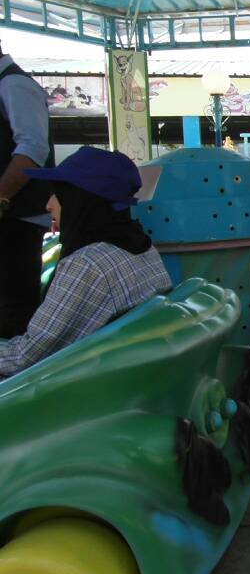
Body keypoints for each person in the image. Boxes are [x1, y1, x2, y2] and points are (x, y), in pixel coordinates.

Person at [0, 147, 172, 380]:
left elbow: (24, 357)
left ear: (80, 201)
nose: (49, 205)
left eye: (58, 194)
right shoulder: (143, 249)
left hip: (81, 390)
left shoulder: (87, 265)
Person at [0, 39, 54, 339]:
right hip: (11, 217)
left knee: (14, 315)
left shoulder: (14, 84)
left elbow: (32, 149)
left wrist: (2, 196)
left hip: (16, 220)